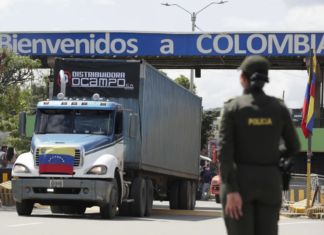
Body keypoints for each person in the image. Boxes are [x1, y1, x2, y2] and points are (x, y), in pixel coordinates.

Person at [218, 56, 301, 235]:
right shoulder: (279, 108)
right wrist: (271, 154)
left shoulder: (233, 108)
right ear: (265, 79)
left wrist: (231, 190)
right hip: (269, 183)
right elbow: (294, 146)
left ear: (243, 78)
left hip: (239, 183)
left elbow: (224, 152)